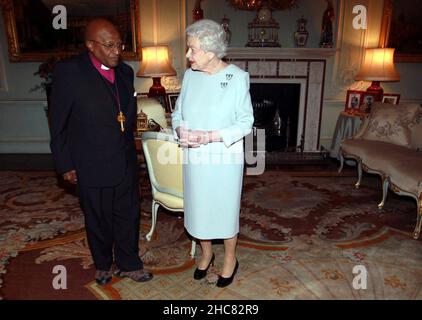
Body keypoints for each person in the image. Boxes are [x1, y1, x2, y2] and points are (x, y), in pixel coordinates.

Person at [49, 18, 153, 285]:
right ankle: (104, 264)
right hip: (89, 161)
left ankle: (130, 263)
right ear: (90, 46)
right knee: (98, 217)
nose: (116, 51)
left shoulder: (126, 72)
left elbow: (124, 116)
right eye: (109, 45)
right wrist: (65, 164)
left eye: (119, 44)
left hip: (124, 159)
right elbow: (58, 123)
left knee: (128, 215)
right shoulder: (69, 72)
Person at [172, 19, 254, 288]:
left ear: (210, 51)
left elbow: (245, 122)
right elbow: (177, 113)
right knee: (198, 208)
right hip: (194, 158)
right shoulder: (190, 76)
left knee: (224, 209)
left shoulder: (237, 78)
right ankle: (207, 254)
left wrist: (210, 136)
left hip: (224, 158)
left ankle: (230, 258)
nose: (187, 55)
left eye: (192, 50)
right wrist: (180, 131)